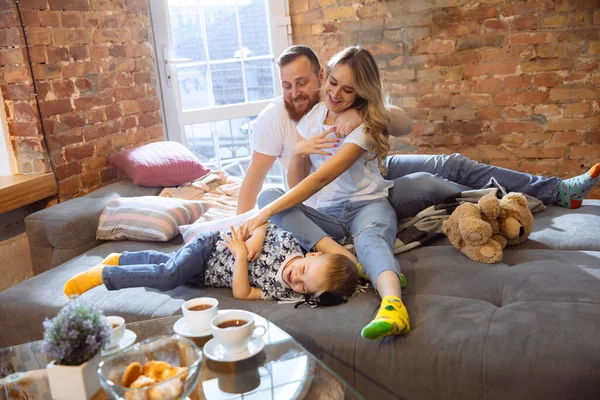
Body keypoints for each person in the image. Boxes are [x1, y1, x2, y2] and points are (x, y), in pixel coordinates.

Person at [238, 45, 599, 216]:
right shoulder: (276, 118)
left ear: (320, 75)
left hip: (374, 170)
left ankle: (557, 189)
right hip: (346, 198)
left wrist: (365, 112)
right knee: (435, 184)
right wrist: (243, 223)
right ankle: (515, 204)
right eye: (285, 85)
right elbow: (255, 181)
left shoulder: (338, 94)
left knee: (452, 162)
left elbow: (405, 123)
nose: (294, 93)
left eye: (301, 82)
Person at [241, 46, 409, 341]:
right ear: (326, 77)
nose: (336, 94)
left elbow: (323, 177)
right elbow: (297, 185)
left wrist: (262, 216)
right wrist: (297, 153)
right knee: (270, 195)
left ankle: (393, 306)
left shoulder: (362, 124)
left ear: (360, 93)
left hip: (366, 205)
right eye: (333, 83)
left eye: (348, 90)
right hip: (328, 216)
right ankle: (355, 264)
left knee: (371, 240)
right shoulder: (312, 117)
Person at [63, 223, 359, 302]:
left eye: (304, 289)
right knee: (167, 276)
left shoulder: (282, 292)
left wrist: (242, 258)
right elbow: (262, 223)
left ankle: (121, 259)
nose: (296, 280)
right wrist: (254, 240)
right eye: (304, 272)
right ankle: (105, 274)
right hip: (210, 248)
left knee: (168, 265)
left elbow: (242, 293)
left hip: (203, 276)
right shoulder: (289, 243)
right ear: (312, 255)